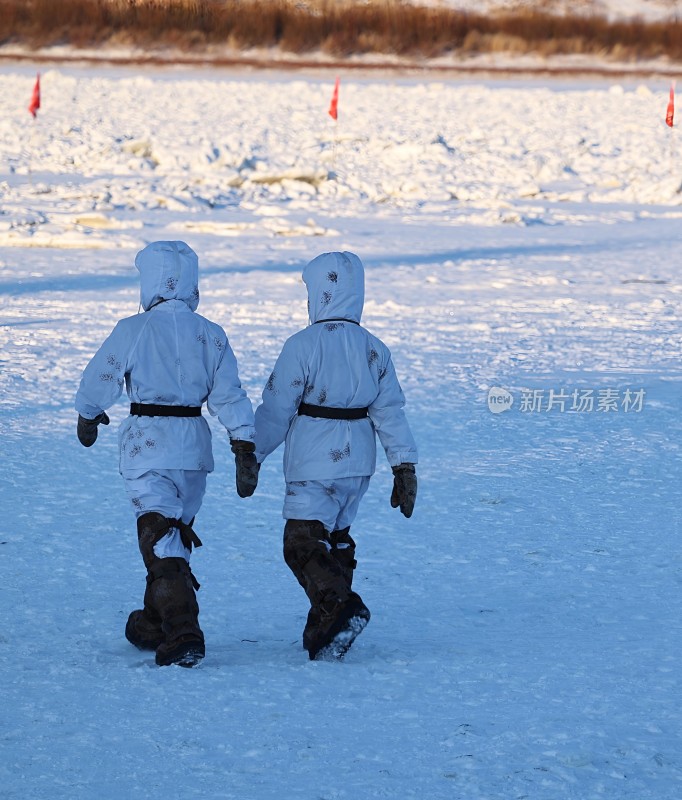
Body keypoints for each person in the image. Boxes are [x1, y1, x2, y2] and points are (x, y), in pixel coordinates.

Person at [75, 241, 258, 668]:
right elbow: (230, 395)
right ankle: (155, 620)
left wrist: (88, 413)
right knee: (173, 535)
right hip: (194, 449)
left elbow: (101, 375)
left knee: (159, 536)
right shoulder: (210, 333)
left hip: (148, 445)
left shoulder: (133, 329)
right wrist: (243, 442)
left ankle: (183, 631)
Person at [254, 251, 418, 661]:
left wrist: (251, 451)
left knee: (301, 542)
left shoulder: (303, 345)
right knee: (337, 539)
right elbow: (390, 411)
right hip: (359, 461)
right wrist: (403, 465)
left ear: (320, 295)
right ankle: (327, 632)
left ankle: (341, 608)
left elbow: (277, 408)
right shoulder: (375, 348)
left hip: (314, 458)